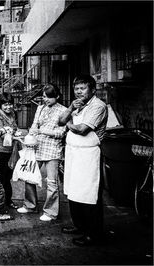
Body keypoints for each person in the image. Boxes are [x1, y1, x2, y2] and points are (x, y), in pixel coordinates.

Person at [58, 75, 108, 246]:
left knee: (89, 194)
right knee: (73, 191)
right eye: (76, 88)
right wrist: (71, 107)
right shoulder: (76, 105)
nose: (79, 92)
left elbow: (82, 129)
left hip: (88, 155)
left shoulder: (98, 106)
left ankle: (93, 233)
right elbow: (60, 120)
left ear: (92, 89)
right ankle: (79, 226)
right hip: (73, 153)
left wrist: (69, 125)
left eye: (83, 88)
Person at [16, 84, 67, 222]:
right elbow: (34, 125)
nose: (46, 100)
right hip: (37, 147)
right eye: (44, 97)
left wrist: (42, 131)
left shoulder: (63, 111)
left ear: (57, 96)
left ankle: (50, 212)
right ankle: (30, 205)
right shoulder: (40, 108)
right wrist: (30, 136)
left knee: (51, 182)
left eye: (49, 97)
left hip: (53, 150)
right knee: (29, 176)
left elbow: (61, 133)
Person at [0, 92, 19, 209]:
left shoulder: (12, 113)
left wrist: (15, 133)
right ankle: (3, 203)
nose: (8, 107)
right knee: (2, 178)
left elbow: (15, 128)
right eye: (5, 105)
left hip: (11, 150)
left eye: (10, 104)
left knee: (8, 176)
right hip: (0, 150)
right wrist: (14, 135)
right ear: (0, 105)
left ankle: (7, 200)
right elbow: (1, 132)